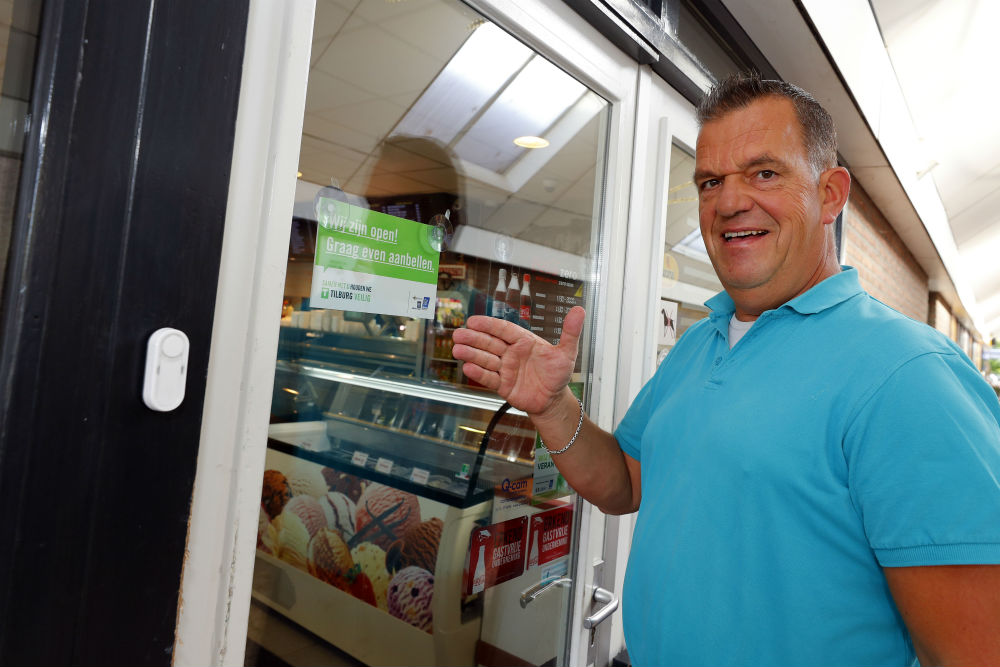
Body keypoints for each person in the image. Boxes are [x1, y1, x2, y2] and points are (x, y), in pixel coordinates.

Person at [452, 73, 1000, 666]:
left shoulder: (910, 375)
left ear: (832, 194)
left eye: (764, 172)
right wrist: (555, 409)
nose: (730, 201)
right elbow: (625, 484)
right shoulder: (700, 343)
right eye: (711, 181)